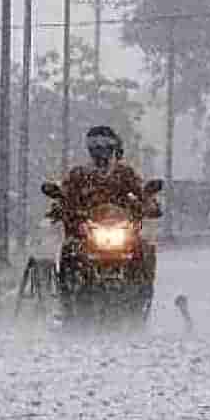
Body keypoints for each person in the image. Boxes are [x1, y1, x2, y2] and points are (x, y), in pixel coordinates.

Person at [53, 125, 158, 318]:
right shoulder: (79, 174)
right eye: (95, 145)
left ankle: (142, 293)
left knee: (145, 248)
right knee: (70, 250)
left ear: (114, 148)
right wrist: (61, 207)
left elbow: (142, 193)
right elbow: (64, 195)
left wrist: (149, 204)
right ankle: (67, 299)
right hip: (86, 233)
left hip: (121, 233)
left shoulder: (125, 173)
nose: (100, 151)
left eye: (105, 145)